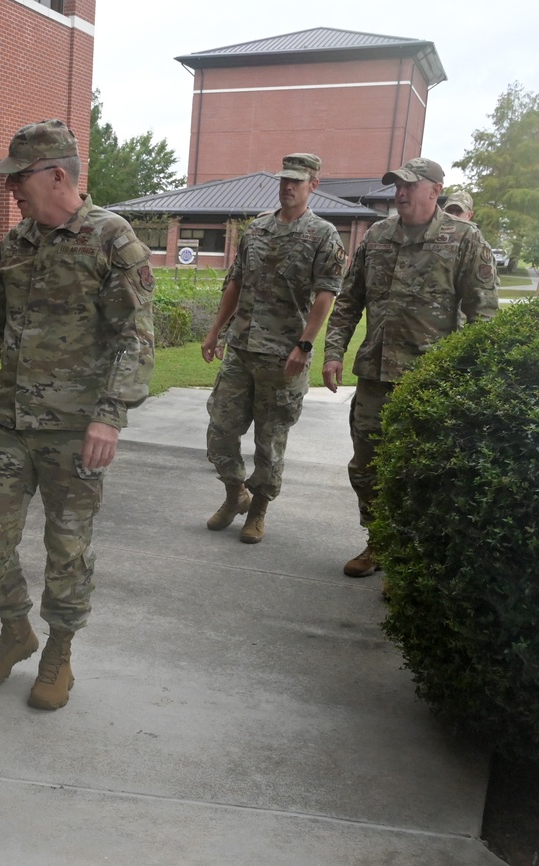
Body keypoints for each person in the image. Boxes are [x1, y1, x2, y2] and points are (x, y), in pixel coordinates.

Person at [0, 119, 155, 712]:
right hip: (9, 422)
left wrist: (110, 414)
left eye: (17, 178)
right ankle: (16, 631)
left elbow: (136, 337)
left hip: (76, 429)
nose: (9, 190)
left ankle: (59, 652)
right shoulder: (16, 242)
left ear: (56, 175)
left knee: (67, 548)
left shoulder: (112, 240)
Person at [322, 158, 498, 578]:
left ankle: (412, 558)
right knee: (365, 467)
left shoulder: (464, 239)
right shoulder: (377, 237)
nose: (400, 193)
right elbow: (349, 300)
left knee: (424, 472)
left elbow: (484, 315)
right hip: (375, 376)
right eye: (397, 186)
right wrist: (333, 351)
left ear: (435, 190)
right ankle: (379, 542)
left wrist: (473, 379)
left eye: (410, 186)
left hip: (431, 380)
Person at [200, 153, 346, 543]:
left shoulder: (324, 235)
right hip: (242, 349)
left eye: (297, 181)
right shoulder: (257, 228)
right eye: (284, 180)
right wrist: (216, 330)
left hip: (284, 358)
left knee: (270, 439)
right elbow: (235, 281)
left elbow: (325, 294)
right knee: (220, 430)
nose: (288, 186)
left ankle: (258, 510)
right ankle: (236, 494)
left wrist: (305, 344)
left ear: (313, 185)